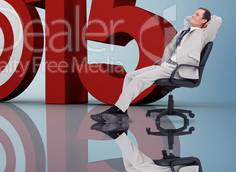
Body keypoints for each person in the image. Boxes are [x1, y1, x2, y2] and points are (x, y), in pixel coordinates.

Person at [91, 8, 222, 123]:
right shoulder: (185, 31)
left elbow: (218, 20)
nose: (193, 15)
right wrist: (197, 18)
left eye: (197, 15)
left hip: (178, 70)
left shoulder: (204, 35)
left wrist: (209, 21)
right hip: (166, 65)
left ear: (205, 21)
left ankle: (116, 110)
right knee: (130, 76)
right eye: (194, 13)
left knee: (138, 80)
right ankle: (122, 112)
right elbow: (187, 18)